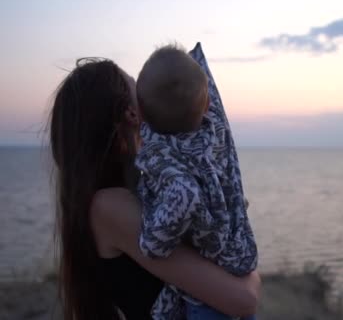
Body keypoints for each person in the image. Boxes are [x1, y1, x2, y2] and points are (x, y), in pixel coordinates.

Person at [49, 57, 261, 320]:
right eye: (137, 88)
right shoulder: (109, 206)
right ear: (132, 113)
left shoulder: (144, 190)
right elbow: (244, 299)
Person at [135, 43, 258, 319]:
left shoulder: (163, 156)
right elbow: (207, 99)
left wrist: (152, 243)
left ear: (140, 113)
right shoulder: (213, 137)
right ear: (207, 105)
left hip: (207, 303)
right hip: (230, 276)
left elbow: (185, 192)